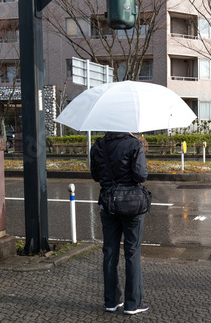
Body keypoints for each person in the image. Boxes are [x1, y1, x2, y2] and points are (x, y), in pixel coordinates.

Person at [90, 132, 149, 315]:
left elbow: (95, 176)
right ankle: (133, 304)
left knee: (109, 251)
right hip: (132, 204)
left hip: (108, 202)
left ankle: (111, 301)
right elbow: (141, 175)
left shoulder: (98, 145)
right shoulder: (134, 144)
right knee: (132, 252)